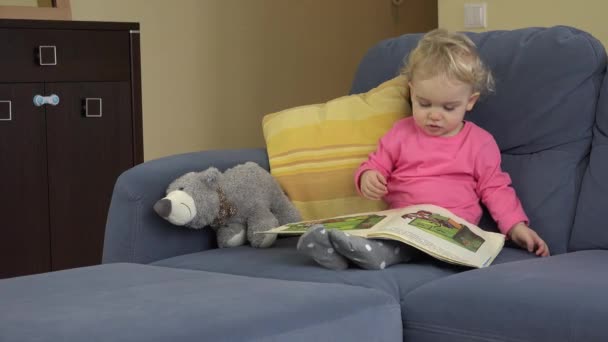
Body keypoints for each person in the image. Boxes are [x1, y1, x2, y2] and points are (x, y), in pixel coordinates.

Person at [297, 28, 550, 270]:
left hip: (453, 228)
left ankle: (361, 253)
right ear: (412, 92)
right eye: (424, 103)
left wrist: (516, 226)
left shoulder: (480, 143)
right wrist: (368, 177)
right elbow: (375, 164)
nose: (434, 116)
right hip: (402, 225)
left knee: (424, 247)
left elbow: (495, 188)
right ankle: (343, 251)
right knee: (392, 240)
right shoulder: (400, 133)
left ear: (469, 101)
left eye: (448, 108)